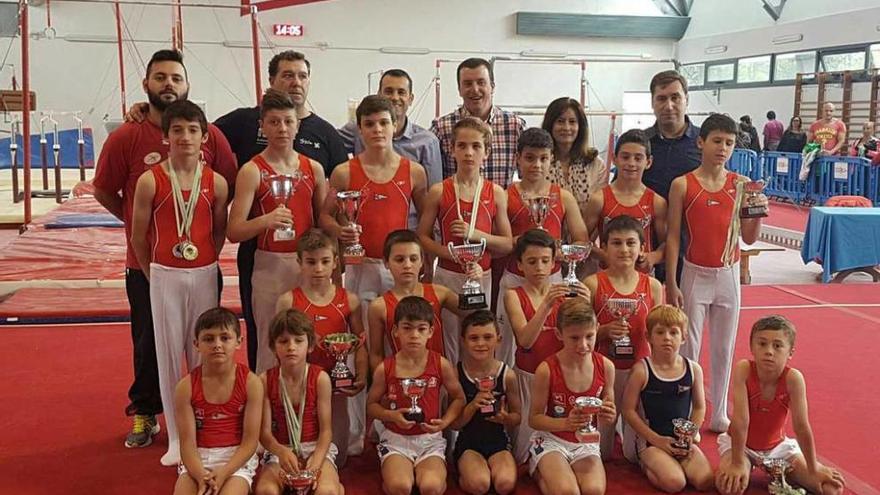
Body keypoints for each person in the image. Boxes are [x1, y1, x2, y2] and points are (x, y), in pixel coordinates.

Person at [93, 49, 236, 449]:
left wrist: (206, 245)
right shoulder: (127, 135)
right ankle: (145, 412)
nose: (168, 84)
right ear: (147, 85)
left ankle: (207, 413)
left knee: (205, 339)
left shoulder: (212, 138)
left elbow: (226, 185)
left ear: (187, 84)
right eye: (160, 77)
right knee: (149, 343)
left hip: (199, 264)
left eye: (175, 77)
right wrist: (143, 229)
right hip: (148, 262)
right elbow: (104, 188)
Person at [320, 94, 428, 457]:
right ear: (360, 129)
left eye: (384, 123)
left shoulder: (413, 171)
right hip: (359, 265)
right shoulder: (344, 172)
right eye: (370, 124)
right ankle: (353, 432)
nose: (378, 130)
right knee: (360, 347)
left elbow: (424, 226)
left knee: (398, 345)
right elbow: (325, 217)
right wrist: (340, 230)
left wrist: (420, 269)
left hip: (399, 269)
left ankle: (389, 423)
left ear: (394, 125)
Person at [130, 100, 230, 466]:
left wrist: (205, 259)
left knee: (207, 350)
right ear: (165, 136)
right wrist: (154, 270)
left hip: (203, 271)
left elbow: (218, 232)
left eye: (192, 130)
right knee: (169, 353)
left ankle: (204, 429)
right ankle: (175, 436)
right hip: (163, 274)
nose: (185, 137)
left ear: (204, 137)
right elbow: (138, 236)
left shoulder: (216, 182)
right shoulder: (149, 180)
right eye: (177, 130)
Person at [666, 113, 767, 433]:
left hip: (728, 274)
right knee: (689, 348)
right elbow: (672, 236)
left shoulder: (740, 185)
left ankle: (719, 412)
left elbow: (749, 237)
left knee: (724, 348)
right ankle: (686, 410)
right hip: (694, 273)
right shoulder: (683, 184)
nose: (723, 148)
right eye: (717, 141)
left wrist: (758, 210)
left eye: (729, 143)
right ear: (701, 142)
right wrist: (670, 280)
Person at [226, 89, 327, 374]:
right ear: (262, 126)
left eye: (287, 121)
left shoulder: (314, 169)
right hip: (269, 265)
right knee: (271, 344)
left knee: (308, 343)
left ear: (298, 125)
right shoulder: (251, 170)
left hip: (307, 266)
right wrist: (266, 221)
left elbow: (322, 225)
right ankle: (268, 415)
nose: (282, 128)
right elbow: (234, 231)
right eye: (274, 122)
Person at [417, 117, 512, 364]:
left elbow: (507, 244)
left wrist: (475, 234)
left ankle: (479, 392)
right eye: (462, 146)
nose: (469, 152)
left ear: (486, 152)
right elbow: (421, 236)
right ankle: (451, 397)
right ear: (452, 149)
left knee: (479, 340)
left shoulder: (496, 193)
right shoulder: (439, 190)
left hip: (481, 275)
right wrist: (449, 254)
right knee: (448, 343)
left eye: (476, 146)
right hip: (447, 276)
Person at [716, 315, 846, 495]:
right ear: (752, 347)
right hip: (741, 445)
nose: (769, 351)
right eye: (762, 344)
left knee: (831, 489)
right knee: (730, 487)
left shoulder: (793, 379)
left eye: (777, 346)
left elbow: (801, 427)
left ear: (790, 352)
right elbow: (740, 421)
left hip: (778, 448)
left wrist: (812, 466)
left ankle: (784, 473)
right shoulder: (744, 370)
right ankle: (749, 466)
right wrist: (737, 462)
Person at [275, 229, 366, 467]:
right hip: (301, 380)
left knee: (340, 455)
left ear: (336, 263)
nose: (318, 268)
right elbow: (279, 344)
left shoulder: (350, 299)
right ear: (299, 263)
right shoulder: (288, 301)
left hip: (337, 379)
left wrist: (362, 374)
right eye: (311, 262)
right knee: (300, 441)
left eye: (325, 261)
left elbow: (360, 342)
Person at [500, 229, 591, 463]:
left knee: (561, 443)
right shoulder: (513, 295)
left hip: (559, 380)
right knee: (523, 454)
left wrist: (586, 303)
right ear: (520, 265)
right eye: (532, 261)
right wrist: (547, 305)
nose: (539, 268)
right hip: (528, 377)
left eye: (545, 261)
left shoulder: (567, 294)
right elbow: (525, 340)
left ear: (554, 263)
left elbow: (585, 337)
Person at [366, 296, 466, 495]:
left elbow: (459, 398)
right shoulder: (385, 367)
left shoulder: (441, 363)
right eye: (407, 328)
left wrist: (445, 422)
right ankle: (391, 476)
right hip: (396, 439)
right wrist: (391, 416)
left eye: (421, 329)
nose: (414, 335)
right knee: (400, 487)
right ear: (395, 331)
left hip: (429, 439)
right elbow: (371, 406)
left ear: (431, 332)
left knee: (431, 487)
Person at [584, 215, 663, 458]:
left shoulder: (653, 286)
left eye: (631, 243)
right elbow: (577, 335)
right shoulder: (592, 284)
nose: (624, 249)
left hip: (639, 371)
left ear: (642, 248)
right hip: (602, 371)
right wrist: (604, 331)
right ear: (604, 247)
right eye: (616, 243)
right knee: (602, 452)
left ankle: (627, 434)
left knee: (632, 455)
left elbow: (659, 333)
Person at [620, 304, 713, 492]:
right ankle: (646, 464)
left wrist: (690, 434)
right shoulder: (641, 371)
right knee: (675, 483)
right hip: (650, 442)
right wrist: (656, 440)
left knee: (705, 481)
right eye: (660, 332)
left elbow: (699, 407)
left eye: (673, 333)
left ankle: (672, 462)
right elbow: (628, 410)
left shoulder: (693, 369)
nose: (667, 338)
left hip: (681, 441)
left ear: (684, 337)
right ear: (649, 337)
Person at [528, 298, 616, 495]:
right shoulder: (547, 369)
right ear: (559, 334)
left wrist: (608, 414)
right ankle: (539, 470)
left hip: (585, 443)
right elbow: (533, 419)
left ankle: (552, 473)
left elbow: (608, 410)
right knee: (569, 492)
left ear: (598, 329)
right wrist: (566, 424)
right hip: (552, 439)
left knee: (594, 491)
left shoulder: (606, 367)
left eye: (589, 336)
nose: (583, 345)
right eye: (574, 338)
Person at [173, 308, 262, 495]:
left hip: (236, 458)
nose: (217, 345)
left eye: (225, 338)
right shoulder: (185, 387)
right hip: (198, 457)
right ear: (196, 344)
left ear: (239, 341)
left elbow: (250, 441)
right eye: (208, 339)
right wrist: (201, 476)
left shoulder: (251, 383)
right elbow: (187, 443)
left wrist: (224, 472)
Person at [254, 309, 344, 495]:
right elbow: (264, 433)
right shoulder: (264, 380)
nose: (291, 347)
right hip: (281, 450)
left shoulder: (320, 379)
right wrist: (280, 451)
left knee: (327, 492)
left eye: (298, 340)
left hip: (315, 447)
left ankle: (336, 486)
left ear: (310, 345)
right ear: (273, 347)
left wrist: (317, 462)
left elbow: (326, 431)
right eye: (283, 341)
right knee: (266, 491)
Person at [367, 229, 475, 371]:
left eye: (413, 259)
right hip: (401, 379)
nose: (407, 265)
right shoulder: (379, 306)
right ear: (386, 262)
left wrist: (475, 284)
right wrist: (383, 384)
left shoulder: (439, 293)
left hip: (438, 378)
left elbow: (474, 312)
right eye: (399, 259)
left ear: (422, 261)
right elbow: (376, 354)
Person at [499, 127, 587, 293]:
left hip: (553, 278)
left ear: (551, 159)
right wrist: (516, 242)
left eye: (543, 158)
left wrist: (558, 253)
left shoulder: (564, 197)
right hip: (515, 278)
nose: (537, 165)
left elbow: (581, 241)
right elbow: (497, 246)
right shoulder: (504, 197)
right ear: (518, 158)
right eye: (530, 158)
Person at [449, 310, 521, 495]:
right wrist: (473, 405)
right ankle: (463, 472)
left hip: (498, 441)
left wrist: (505, 418)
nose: (481, 343)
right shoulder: (456, 374)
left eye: (487, 337)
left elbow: (517, 418)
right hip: (468, 443)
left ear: (498, 339)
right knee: (479, 485)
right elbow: (455, 424)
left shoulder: (507, 375)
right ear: (463, 341)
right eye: (474, 338)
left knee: (505, 485)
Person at [641, 70, 701, 287]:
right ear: (652, 102)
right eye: (661, 98)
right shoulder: (640, 144)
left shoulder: (705, 144)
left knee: (682, 318)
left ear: (687, 100)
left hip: (691, 248)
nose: (669, 105)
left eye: (675, 97)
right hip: (643, 247)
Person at [338, 69, 442, 188]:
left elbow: (434, 192)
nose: (394, 97)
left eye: (401, 92)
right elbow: (328, 142)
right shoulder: (355, 130)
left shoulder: (427, 142)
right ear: (379, 95)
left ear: (411, 99)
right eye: (388, 91)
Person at [431, 57, 525, 188]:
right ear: (459, 89)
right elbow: (434, 180)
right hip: (455, 206)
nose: (475, 89)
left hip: (500, 207)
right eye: (468, 84)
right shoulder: (441, 129)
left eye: (481, 82)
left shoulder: (515, 126)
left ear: (492, 87)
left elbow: (527, 177)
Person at [584, 129, 667, 274]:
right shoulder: (599, 199)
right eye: (625, 157)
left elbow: (667, 244)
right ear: (614, 158)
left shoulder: (657, 202)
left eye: (638, 158)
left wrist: (653, 257)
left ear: (648, 162)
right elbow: (582, 242)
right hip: (607, 277)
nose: (631, 163)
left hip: (643, 280)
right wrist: (603, 255)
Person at [541, 97, 608, 220]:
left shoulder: (596, 164)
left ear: (580, 127)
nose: (566, 127)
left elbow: (600, 211)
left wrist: (583, 238)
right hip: (546, 237)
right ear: (550, 125)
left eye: (572, 122)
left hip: (587, 235)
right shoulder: (540, 162)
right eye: (560, 121)